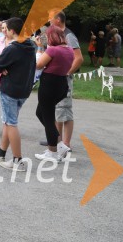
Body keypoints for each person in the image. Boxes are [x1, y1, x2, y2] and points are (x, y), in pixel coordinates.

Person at [0, 17, 36, 172]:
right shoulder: (30, 45)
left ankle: (18, 161)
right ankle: (0, 154)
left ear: (12, 31)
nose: (4, 31)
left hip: (10, 89)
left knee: (11, 123)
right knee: (8, 121)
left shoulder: (13, 48)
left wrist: (0, 67)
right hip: (24, 90)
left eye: (6, 28)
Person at [44, 10, 83, 157]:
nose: (48, 21)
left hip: (63, 78)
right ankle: (56, 140)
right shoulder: (57, 35)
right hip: (55, 79)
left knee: (64, 109)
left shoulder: (68, 36)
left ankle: (66, 144)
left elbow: (78, 58)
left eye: (50, 18)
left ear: (58, 20)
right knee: (57, 110)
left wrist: (67, 73)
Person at [34, 26, 74, 162]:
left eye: (47, 36)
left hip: (49, 85)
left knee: (48, 118)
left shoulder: (53, 50)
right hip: (61, 84)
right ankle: (60, 145)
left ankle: (52, 151)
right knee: (41, 113)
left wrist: (39, 48)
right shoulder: (69, 49)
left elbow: (38, 65)